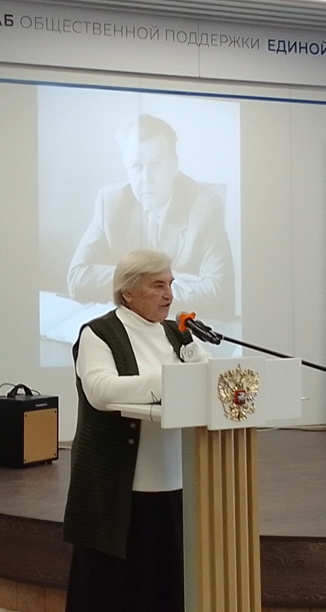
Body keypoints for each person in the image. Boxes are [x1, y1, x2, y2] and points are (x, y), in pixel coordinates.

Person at [63, 249, 209, 612]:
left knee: (167, 585)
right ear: (127, 292)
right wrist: (170, 382)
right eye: (157, 285)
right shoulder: (99, 333)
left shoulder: (177, 333)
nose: (169, 295)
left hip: (174, 479)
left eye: (170, 284)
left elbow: (205, 377)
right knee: (117, 589)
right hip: (118, 487)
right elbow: (100, 390)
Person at [67, 113, 235, 319]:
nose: (145, 178)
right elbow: (78, 278)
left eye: (156, 165)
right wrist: (151, 281)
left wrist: (133, 287)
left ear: (174, 165)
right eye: (136, 167)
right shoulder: (110, 202)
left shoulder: (205, 206)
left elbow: (218, 292)